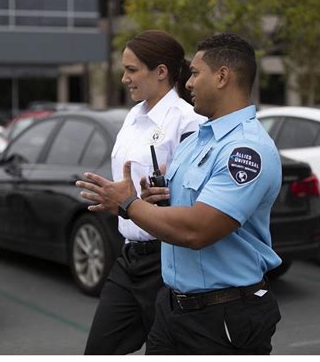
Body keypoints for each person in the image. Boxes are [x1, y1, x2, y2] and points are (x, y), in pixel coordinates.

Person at [76, 33, 282, 355]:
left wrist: (128, 204)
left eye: (196, 74)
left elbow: (197, 229)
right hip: (173, 307)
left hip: (222, 316)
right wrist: (149, 200)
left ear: (222, 77)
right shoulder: (198, 139)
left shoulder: (246, 149)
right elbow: (180, 206)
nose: (187, 83)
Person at [83, 30, 206, 355]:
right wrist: (115, 199)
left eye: (132, 70)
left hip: (167, 262)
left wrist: (156, 195)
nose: (124, 78)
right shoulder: (133, 116)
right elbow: (130, 187)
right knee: (98, 350)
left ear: (161, 71)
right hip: (129, 257)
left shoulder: (187, 120)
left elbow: (194, 197)